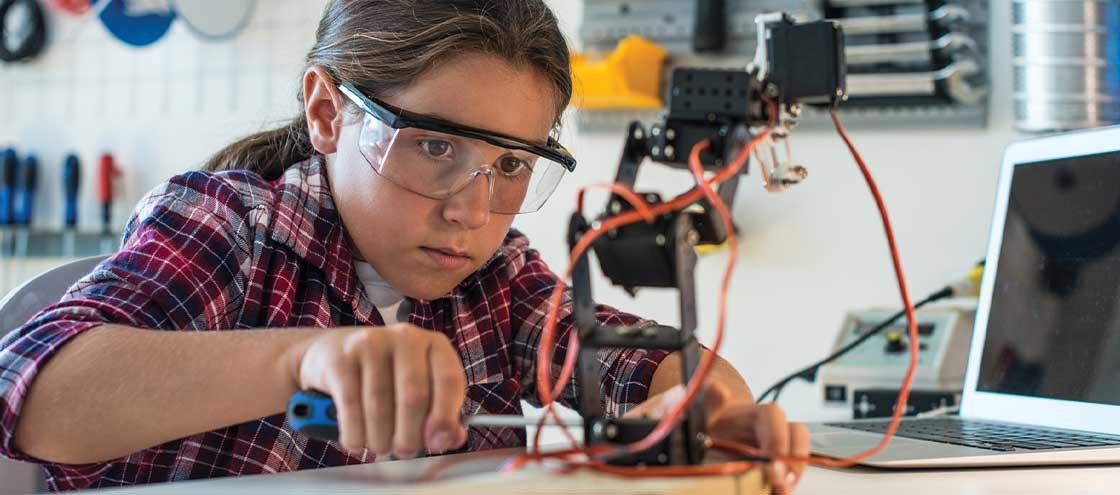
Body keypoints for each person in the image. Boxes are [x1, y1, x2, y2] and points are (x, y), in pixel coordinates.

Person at [0, 0, 809, 492]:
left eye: (511, 165)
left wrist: (708, 409)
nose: (471, 210)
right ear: (327, 111)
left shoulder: (498, 283)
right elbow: (28, 396)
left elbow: (652, 362)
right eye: (434, 146)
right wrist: (305, 358)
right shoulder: (233, 226)